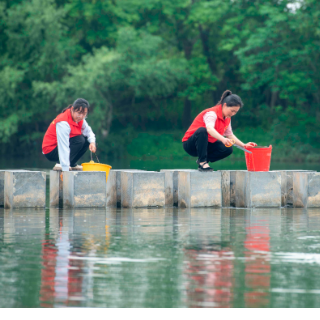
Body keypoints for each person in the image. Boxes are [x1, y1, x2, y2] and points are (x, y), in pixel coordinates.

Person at [182, 90, 257, 172]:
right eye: (232, 110)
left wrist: (244, 145)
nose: (233, 114)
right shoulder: (212, 113)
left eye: (235, 112)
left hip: (206, 145)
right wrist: (223, 139)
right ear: (224, 105)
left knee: (228, 149)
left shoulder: (227, 118)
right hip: (191, 145)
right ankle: (202, 162)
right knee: (202, 130)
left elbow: (229, 135)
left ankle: (203, 160)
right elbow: (209, 129)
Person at [42, 98, 97, 171]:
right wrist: (64, 167)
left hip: (62, 147)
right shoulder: (63, 122)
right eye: (79, 113)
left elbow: (89, 132)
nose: (81, 116)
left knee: (87, 140)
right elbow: (63, 145)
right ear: (72, 109)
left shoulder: (80, 120)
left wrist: (92, 143)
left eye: (84, 114)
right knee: (79, 140)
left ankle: (72, 163)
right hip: (50, 150)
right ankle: (60, 163)